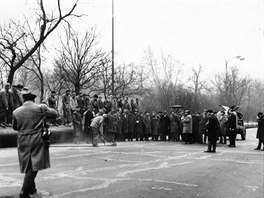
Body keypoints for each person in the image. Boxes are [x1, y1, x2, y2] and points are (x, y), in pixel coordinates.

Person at [12, 92, 57, 198]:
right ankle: (25, 190)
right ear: (34, 100)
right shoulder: (40, 108)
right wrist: (45, 106)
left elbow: (15, 127)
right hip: (37, 138)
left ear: (24, 100)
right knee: (35, 165)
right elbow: (54, 114)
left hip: (22, 139)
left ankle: (32, 188)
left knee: (28, 164)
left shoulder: (16, 111)